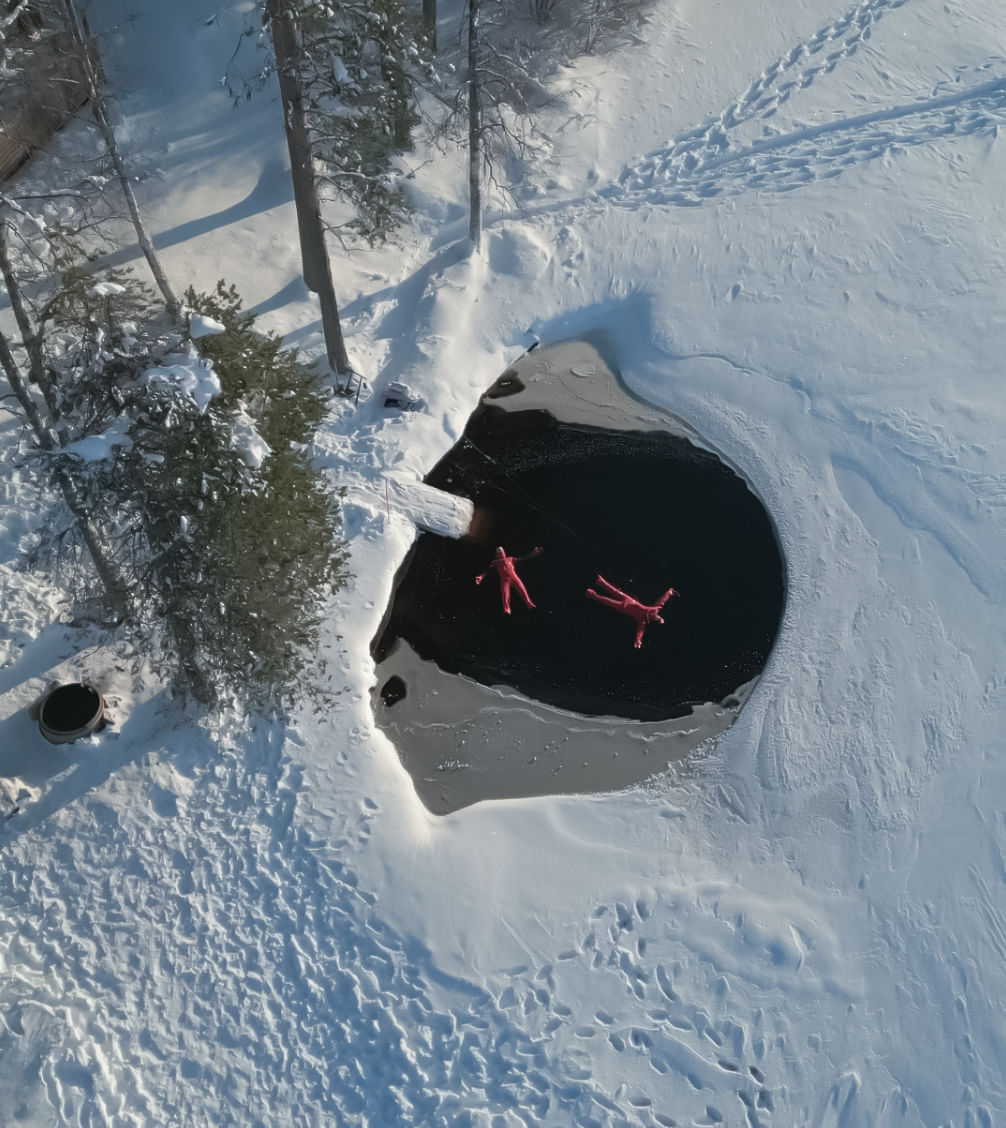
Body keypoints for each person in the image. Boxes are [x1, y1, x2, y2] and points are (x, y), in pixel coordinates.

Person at [586, 574, 677, 649]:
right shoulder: (655, 610)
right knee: (614, 591)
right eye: (659, 617)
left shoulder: (643, 621)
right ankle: (601, 582)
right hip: (630, 601)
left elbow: (640, 632)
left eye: (658, 619)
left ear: (654, 620)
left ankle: (593, 594)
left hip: (623, 607)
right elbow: (662, 601)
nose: (658, 617)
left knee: (608, 601)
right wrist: (669, 592)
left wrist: (638, 641)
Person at [476, 545, 543, 614]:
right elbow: (488, 570)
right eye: (498, 551)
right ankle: (506, 608)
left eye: (501, 550)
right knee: (505, 593)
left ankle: (528, 603)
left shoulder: (510, 559)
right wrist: (481, 576)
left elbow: (524, 559)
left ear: (504, 552)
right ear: (496, 554)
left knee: (522, 589)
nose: (500, 552)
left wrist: (533, 553)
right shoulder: (495, 562)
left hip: (514, 578)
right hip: (505, 581)